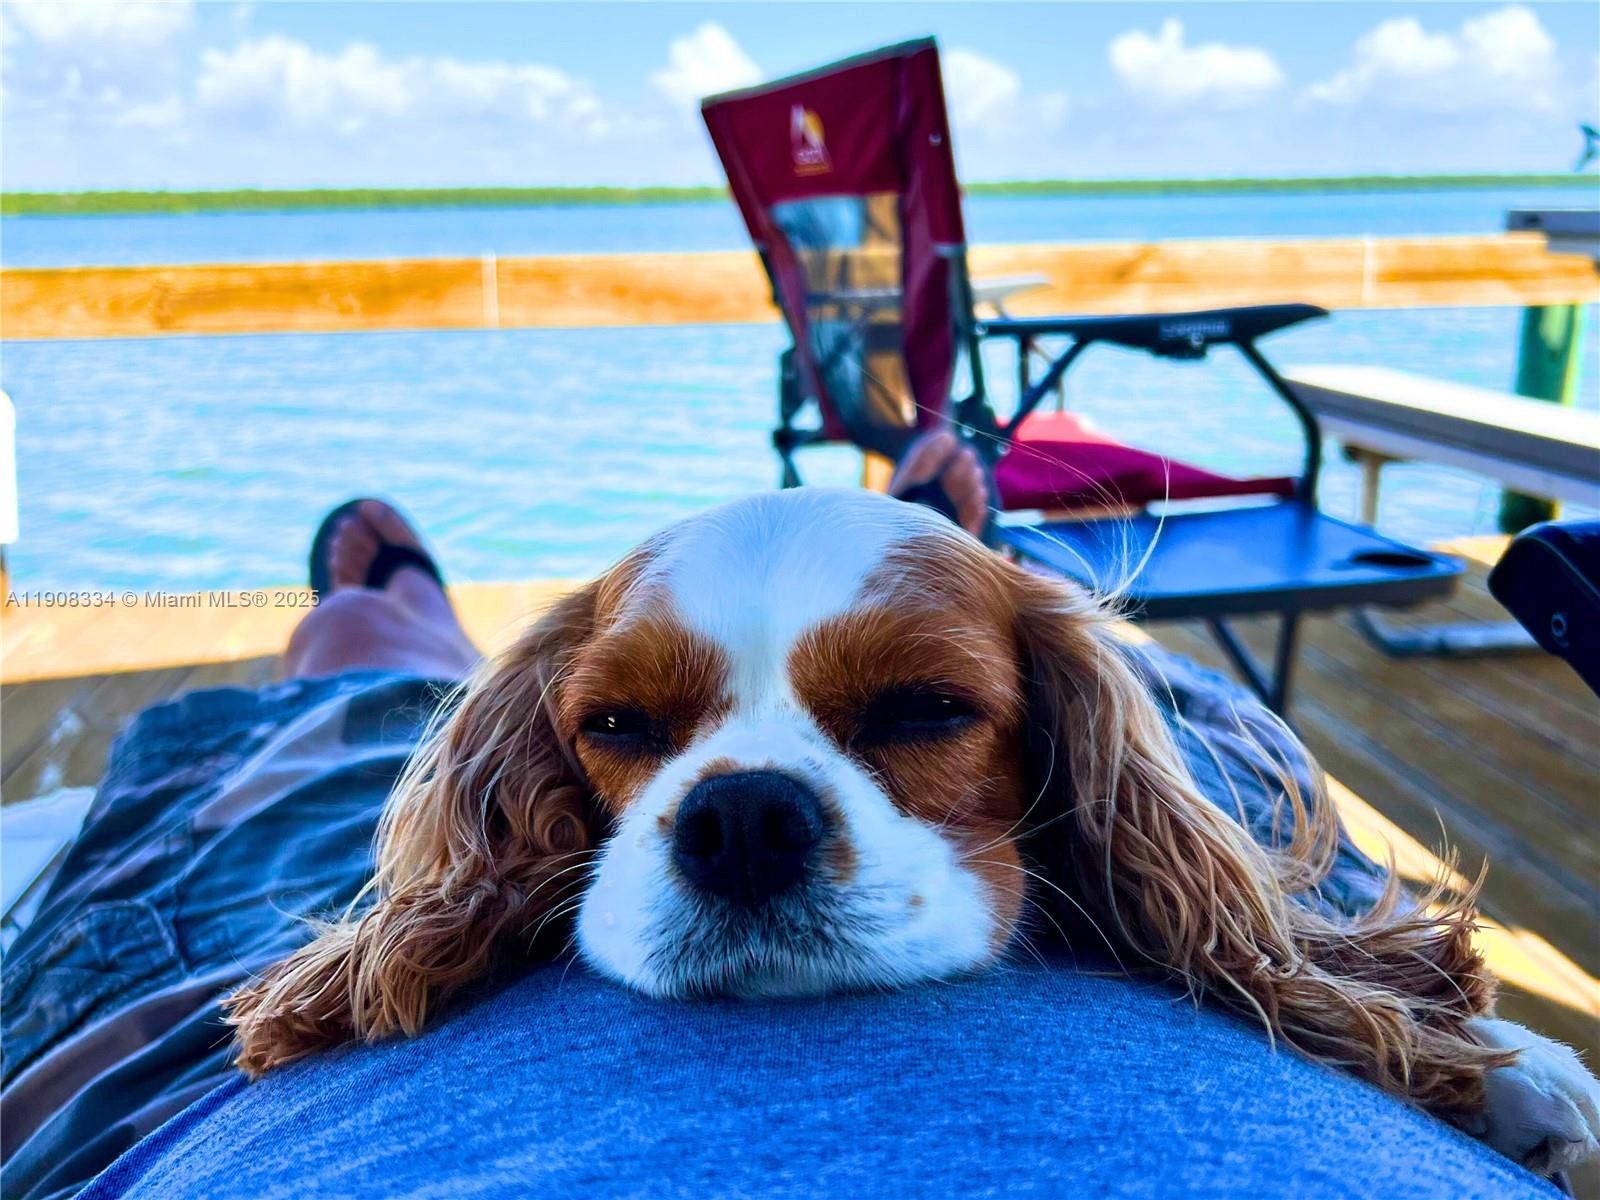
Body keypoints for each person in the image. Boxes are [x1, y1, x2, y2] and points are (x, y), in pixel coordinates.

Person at [0, 435, 1552, 1200]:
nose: (739, 812)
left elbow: (1191, 863)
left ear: (1039, 742)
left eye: (916, 711)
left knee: (308, 738)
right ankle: (931, 513)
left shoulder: (1082, 714)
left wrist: (1337, 995)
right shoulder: (534, 760)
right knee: (389, 730)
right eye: (627, 727)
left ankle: (376, 617)